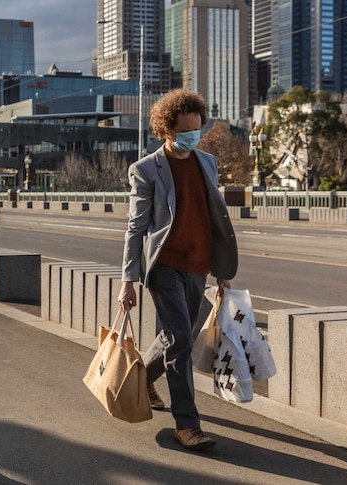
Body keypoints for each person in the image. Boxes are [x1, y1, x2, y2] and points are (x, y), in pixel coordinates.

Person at [117, 88, 238, 451]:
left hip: (198, 263)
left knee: (174, 337)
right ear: (166, 130)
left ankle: (140, 379)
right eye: (185, 131)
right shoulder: (145, 169)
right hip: (164, 265)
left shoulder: (208, 162)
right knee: (182, 342)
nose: (193, 136)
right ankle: (187, 425)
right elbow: (136, 227)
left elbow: (213, 219)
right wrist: (128, 281)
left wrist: (222, 270)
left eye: (197, 129)